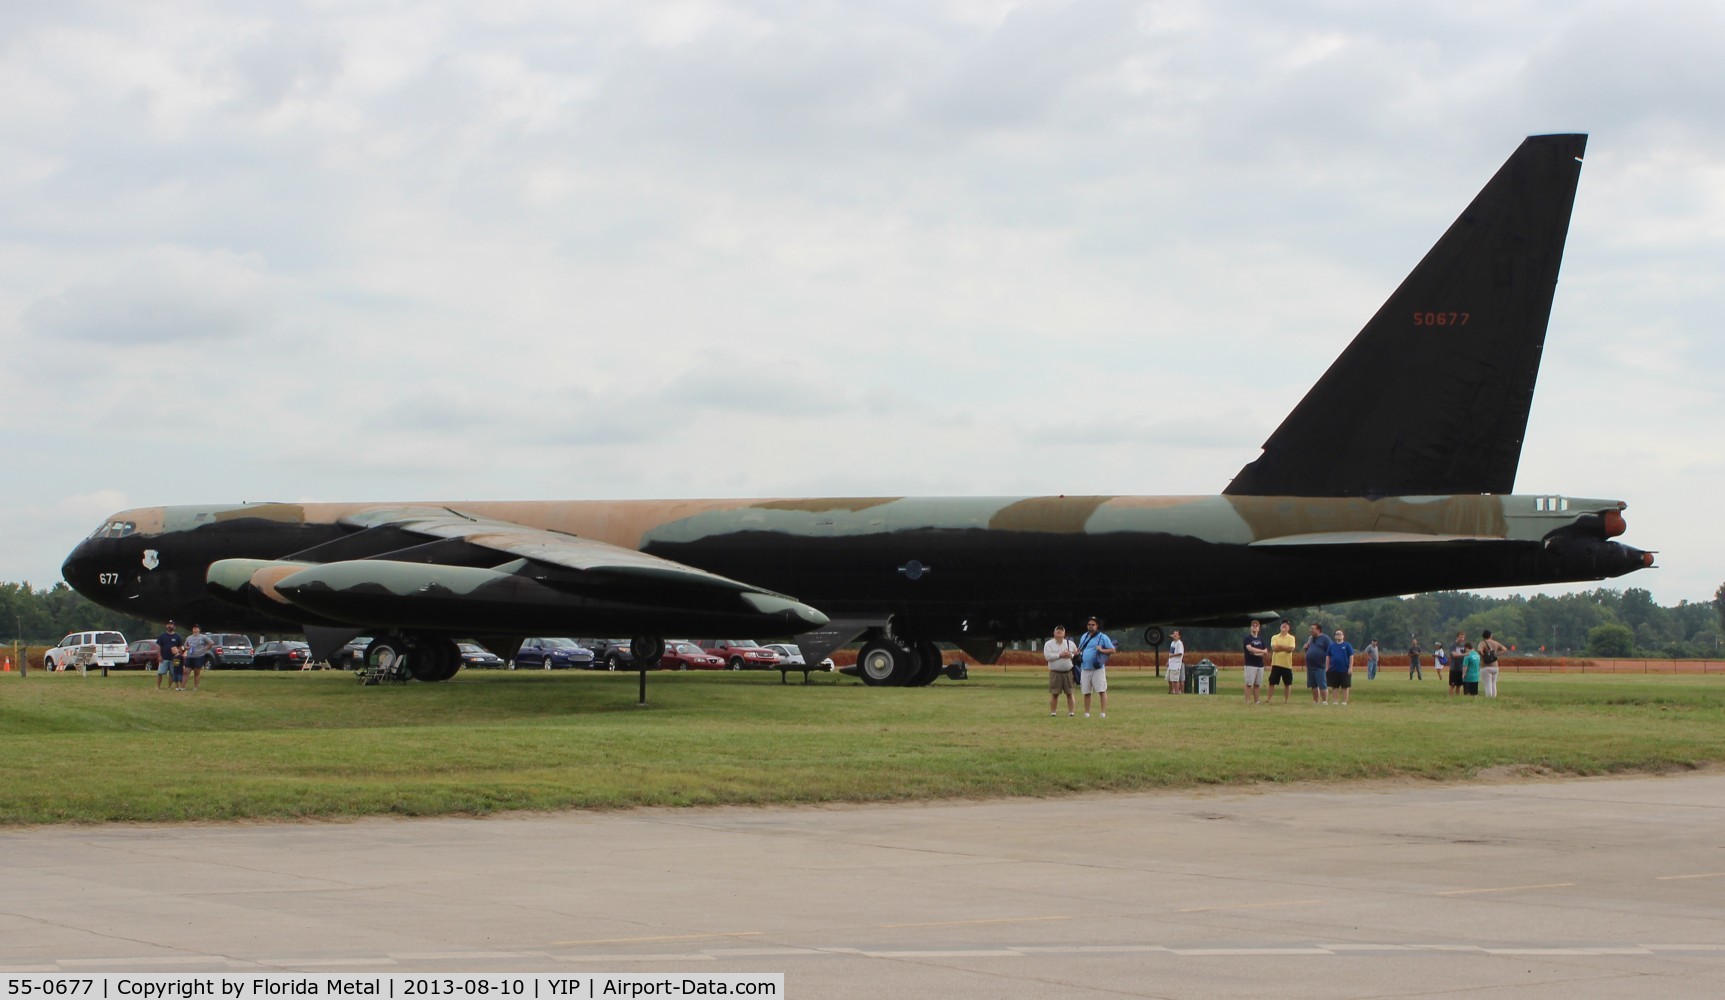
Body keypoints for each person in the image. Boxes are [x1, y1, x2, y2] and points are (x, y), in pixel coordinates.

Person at [1077, 617, 1116, 718]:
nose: (1091, 626)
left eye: (1093, 625)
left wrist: (1102, 650)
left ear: (1097, 626)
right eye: (1089, 624)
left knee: (1101, 690)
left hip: (1097, 668)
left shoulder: (1103, 637)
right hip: (1085, 668)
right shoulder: (1084, 637)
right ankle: (1086, 713)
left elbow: (1112, 650)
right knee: (1086, 691)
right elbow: (1080, 649)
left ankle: (1102, 713)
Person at [1043, 625, 1077, 717]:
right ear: (1054, 633)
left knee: (1069, 693)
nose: (1059, 634)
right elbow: (1047, 657)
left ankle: (1071, 712)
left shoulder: (1070, 644)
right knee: (1055, 693)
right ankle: (1053, 712)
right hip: (1055, 672)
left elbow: (1076, 654)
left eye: (1061, 632)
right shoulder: (1048, 644)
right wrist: (1060, 655)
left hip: (1068, 672)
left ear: (1064, 634)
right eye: (1057, 632)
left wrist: (1070, 655)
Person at [1269, 621, 1296, 703]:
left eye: (1286, 625)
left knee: (1287, 683)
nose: (1284, 626)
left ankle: (1286, 700)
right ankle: (1269, 699)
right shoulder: (1274, 637)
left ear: (1288, 628)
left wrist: (1280, 646)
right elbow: (1274, 648)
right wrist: (1285, 648)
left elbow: (1290, 649)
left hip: (1287, 665)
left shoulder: (1291, 638)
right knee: (1272, 682)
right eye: (1283, 625)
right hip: (1276, 663)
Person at [1303, 623, 1331, 705]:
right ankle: (1315, 701)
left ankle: (1324, 701)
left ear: (1318, 630)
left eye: (1313, 629)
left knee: (1322, 684)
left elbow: (1330, 650)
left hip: (1320, 666)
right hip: (1310, 666)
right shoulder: (1310, 639)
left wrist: (1328, 664)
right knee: (1313, 685)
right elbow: (1309, 649)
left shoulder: (1325, 639)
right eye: (1310, 629)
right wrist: (1306, 649)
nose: (1311, 630)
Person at [1327, 628, 1356, 705]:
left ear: (1343, 636)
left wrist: (1350, 668)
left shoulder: (1347, 645)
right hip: (1334, 669)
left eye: (1340, 634)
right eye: (1337, 634)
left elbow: (1351, 656)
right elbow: (1328, 657)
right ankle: (1335, 701)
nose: (1339, 635)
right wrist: (1327, 667)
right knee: (1335, 686)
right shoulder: (1331, 646)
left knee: (1345, 686)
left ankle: (1344, 702)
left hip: (1345, 669)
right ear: (1334, 636)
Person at [1242, 620, 1268, 704]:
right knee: (1249, 684)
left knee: (1257, 684)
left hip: (1260, 665)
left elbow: (1266, 651)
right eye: (1253, 625)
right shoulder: (1247, 639)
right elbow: (1250, 649)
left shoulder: (1261, 639)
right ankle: (1247, 701)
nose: (1255, 627)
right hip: (1250, 664)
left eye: (1256, 626)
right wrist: (1261, 651)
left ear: (1259, 628)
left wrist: (1258, 653)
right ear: (1250, 627)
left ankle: (1257, 701)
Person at [154, 621, 184, 691]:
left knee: (172, 673)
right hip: (163, 658)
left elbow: (180, 648)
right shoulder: (162, 636)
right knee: (160, 673)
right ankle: (158, 687)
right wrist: (159, 656)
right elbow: (159, 647)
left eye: (171, 625)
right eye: (168, 624)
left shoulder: (177, 637)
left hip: (174, 659)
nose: (169, 626)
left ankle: (169, 687)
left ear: (174, 627)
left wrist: (179, 656)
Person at [183, 625, 214, 693]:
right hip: (190, 656)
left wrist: (205, 649)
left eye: (196, 628)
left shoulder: (203, 637)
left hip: (199, 656)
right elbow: (185, 645)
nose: (195, 629)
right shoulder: (189, 637)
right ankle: (183, 687)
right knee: (186, 672)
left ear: (199, 630)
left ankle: (195, 687)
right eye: (194, 628)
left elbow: (211, 643)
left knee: (196, 673)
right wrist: (187, 648)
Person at [1478, 630, 1507, 697]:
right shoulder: (1495, 643)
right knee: (1493, 683)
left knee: (1487, 683)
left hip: (1485, 666)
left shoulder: (1482, 643)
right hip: (1495, 666)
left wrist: (1483, 656)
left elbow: (1479, 650)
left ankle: (1489, 698)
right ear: (1490, 635)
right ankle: (1494, 697)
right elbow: (1505, 649)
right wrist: (1496, 655)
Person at [1166, 629, 1185, 694]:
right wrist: (1168, 661)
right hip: (1171, 663)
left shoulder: (1179, 643)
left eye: (1176, 634)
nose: (1174, 635)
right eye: (1174, 634)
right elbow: (1171, 653)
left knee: (1175, 680)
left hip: (1176, 664)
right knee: (1169, 679)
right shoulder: (1172, 643)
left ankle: (1177, 692)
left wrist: (1172, 656)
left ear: (1179, 636)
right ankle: (1171, 691)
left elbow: (1180, 653)